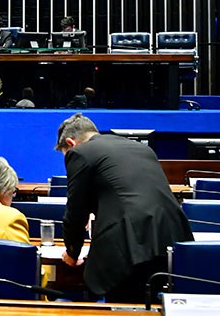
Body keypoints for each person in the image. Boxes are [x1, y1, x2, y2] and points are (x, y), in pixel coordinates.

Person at [56, 113, 192, 302]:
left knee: (123, 306)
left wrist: (72, 253)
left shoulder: (79, 153)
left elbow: (75, 212)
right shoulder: (141, 149)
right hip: (171, 235)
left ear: (71, 143)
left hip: (128, 243)